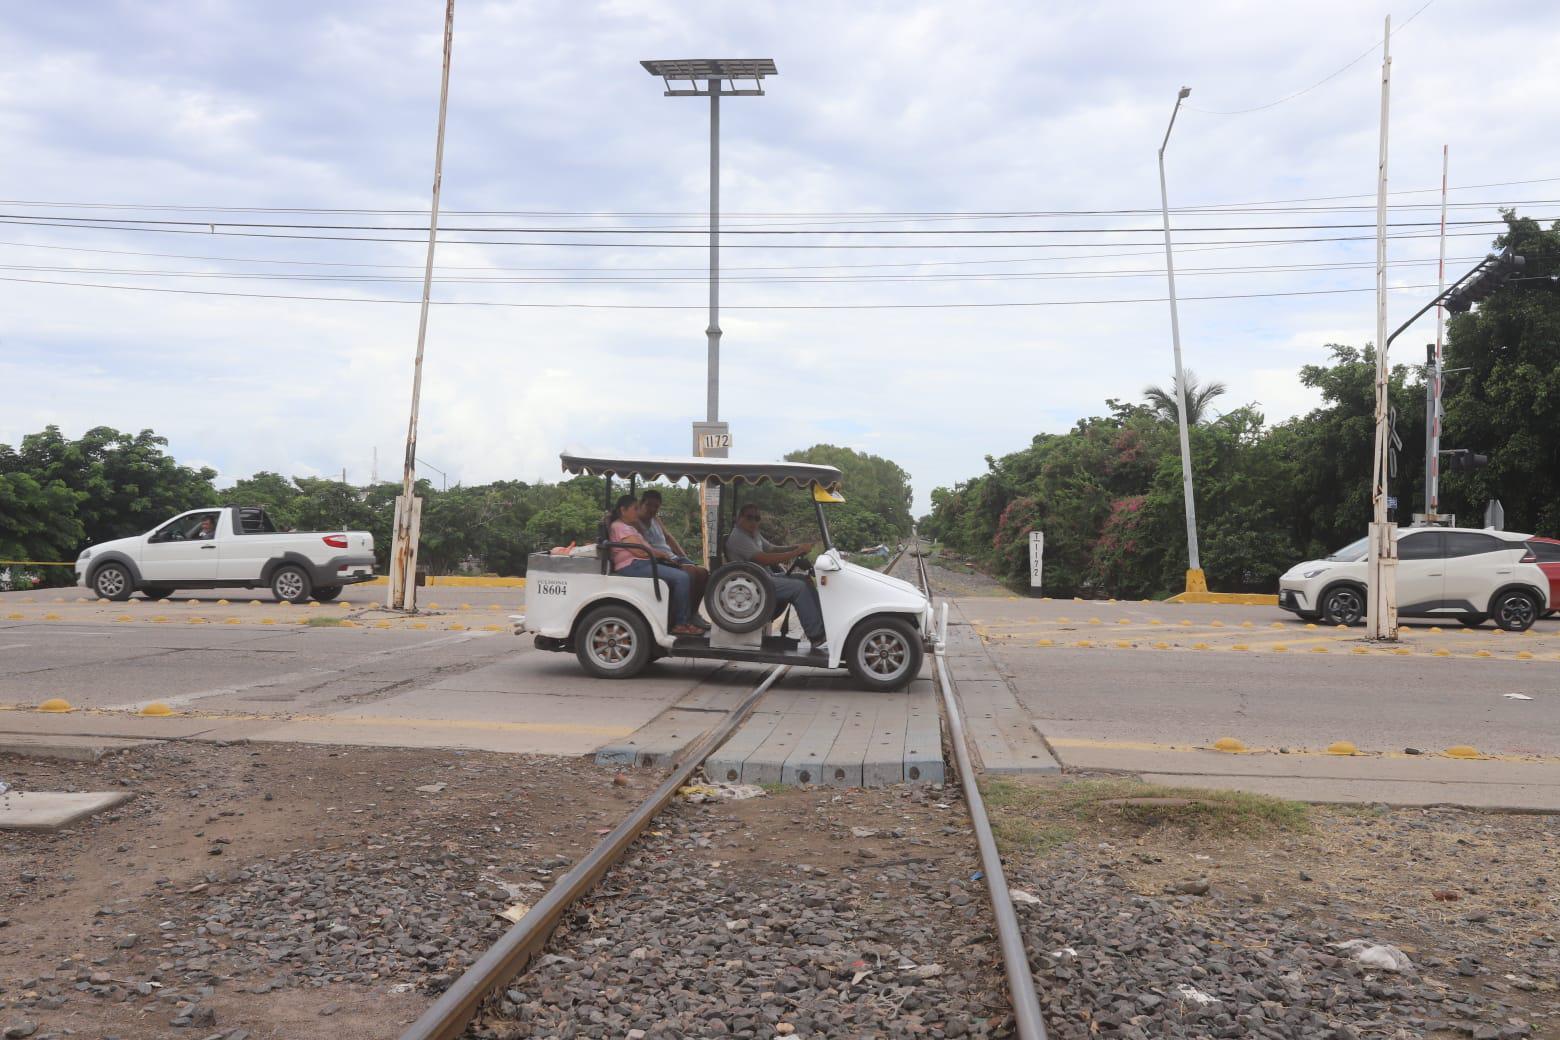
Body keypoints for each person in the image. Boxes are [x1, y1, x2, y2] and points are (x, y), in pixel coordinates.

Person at [726, 504, 827, 651]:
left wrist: (796, 547)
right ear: (739, 518)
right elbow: (764, 558)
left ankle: (823, 626)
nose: (754, 521)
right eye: (749, 517)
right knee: (799, 588)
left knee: (803, 579)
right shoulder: (738, 538)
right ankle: (817, 636)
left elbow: (772, 548)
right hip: (754, 585)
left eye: (757, 518)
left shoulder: (753, 533)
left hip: (764, 578)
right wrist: (796, 552)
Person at [605, 495, 704, 636]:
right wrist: (661, 555)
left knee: (692, 573)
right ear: (623, 510)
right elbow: (639, 551)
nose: (637, 511)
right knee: (682, 578)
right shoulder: (619, 526)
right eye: (635, 508)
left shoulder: (627, 526)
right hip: (633, 565)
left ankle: (683, 617)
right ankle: (680, 623)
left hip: (642, 562)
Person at [636, 490, 709, 607]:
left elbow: (669, 538)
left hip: (671, 557)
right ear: (641, 504)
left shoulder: (656, 519)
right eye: (649, 505)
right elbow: (644, 547)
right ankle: (680, 614)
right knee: (691, 573)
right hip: (658, 560)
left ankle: (693, 611)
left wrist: (683, 556)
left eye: (656, 506)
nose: (652, 509)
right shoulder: (635, 523)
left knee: (703, 573)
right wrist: (667, 558)